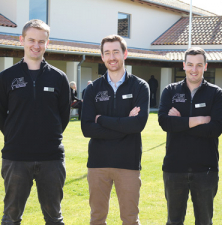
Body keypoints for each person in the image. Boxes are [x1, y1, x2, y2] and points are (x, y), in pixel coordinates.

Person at [0, 19, 70, 224]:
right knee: (11, 217)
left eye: (41, 41)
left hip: (51, 158)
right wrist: (14, 134)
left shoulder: (59, 78)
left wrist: (48, 135)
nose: (36, 45)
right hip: (16, 158)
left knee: (54, 218)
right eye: (31, 40)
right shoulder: (6, 77)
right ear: (22, 40)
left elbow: (63, 116)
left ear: (47, 43)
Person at [81, 34, 150, 225]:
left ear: (125, 53)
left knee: (130, 219)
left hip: (128, 163)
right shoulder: (93, 89)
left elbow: (138, 125)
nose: (112, 57)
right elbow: (87, 128)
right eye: (107, 53)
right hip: (98, 164)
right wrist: (125, 124)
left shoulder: (140, 86)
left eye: (116, 52)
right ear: (102, 57)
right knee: (97, 218)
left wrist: (101, 119)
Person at [158, 47, 222, 225]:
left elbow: (215, 129)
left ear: (205, 66)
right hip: (174, 168)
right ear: (183, 65)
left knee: (204, 222)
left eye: (198, 65)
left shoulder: (216, 93)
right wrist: (200, 120)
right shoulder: (170, 91)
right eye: (190, 65)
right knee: (174, 221)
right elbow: (165, 123)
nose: (194, 69)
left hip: (205, 170)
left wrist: (181, 122)